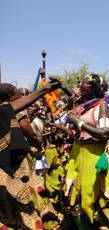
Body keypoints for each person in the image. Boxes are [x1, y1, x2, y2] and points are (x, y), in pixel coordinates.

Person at [0, 82, 61, 229]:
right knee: (27, 195)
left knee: (7, 203)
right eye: (17, 95)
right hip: (17, 164)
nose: (20, 97)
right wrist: (44, 90)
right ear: (10, 97)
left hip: (6, 165)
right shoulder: (10, 112)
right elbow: (31, 134)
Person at [64, 73, 109, 229]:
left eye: (84, 87)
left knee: (98, 202)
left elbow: (105, 134)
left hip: (93, 158)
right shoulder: (82, 106)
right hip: (76, 156)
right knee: (75, 201)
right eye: (80, 87)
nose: (80, 90)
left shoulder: (102, 106)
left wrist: (79, 122)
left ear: (96, 89)